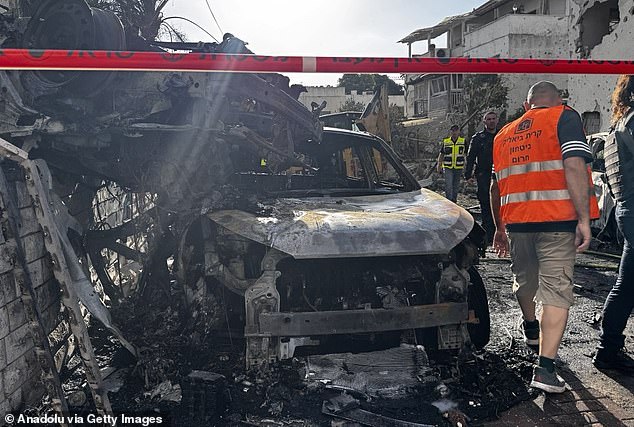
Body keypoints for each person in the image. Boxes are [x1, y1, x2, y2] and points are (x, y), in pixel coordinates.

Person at [490, 81, 599, 393]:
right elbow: (574, 165)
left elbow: (495, 186)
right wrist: (583, 219)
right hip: (556, 221)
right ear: (558, 100)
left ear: (527, 106)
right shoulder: (564, 117)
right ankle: (546, 369)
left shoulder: (504, 134)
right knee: (556, 291)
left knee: (525, 281)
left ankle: (530, 326)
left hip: (518, 223)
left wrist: (499, 228)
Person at [593, 75, 634, 372]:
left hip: (627, 210)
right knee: (626, 285)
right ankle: (607, 350)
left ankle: (608, 350)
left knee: (626, 284)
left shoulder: (619, 123)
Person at [464, 111, 499, 245]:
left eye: (493, 119)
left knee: (500, 205)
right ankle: (488, 235)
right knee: (486, 204)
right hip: (484, 175)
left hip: (501, 174)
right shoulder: (478, 138)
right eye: (488, 119)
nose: (491, 121)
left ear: (496, 120)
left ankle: (500, 232)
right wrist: (468, 175)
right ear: (484, 122)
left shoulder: (502, 135)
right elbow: (471, 156)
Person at [437, 124, 466, 203]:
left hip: (458, 167)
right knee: (448, 185)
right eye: (453, 130)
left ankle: (454, 200)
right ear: (450, 131)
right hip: (448, 166)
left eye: (456, 130)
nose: (454, 132)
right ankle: (449, 201)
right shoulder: (446, 142)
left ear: (459, 131)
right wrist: (439, 165)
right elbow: (441, 154)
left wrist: (467, 167)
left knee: (456, 185)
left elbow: (466, 154)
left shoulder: (463, 142)